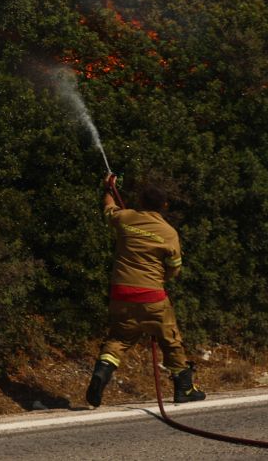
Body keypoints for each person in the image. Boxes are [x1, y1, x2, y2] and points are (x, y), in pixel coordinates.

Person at [86, 172, 206, 407]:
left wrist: (109, 188)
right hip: (152, 296)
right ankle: (184, 387)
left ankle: (102, 372)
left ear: (141, 202)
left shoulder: (125, 218)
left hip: (121, 294)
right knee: (170, 339)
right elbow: (174, 269)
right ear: (164, 205)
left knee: (119, 338)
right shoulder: (169, 232)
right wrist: (163, 277)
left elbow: (108, 209)